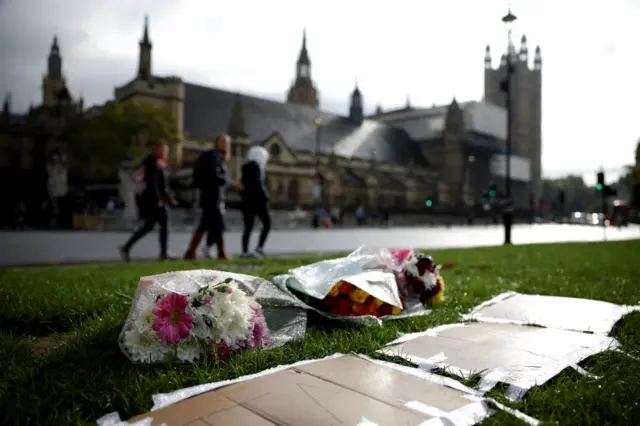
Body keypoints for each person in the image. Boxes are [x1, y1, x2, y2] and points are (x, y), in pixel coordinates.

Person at [184, 134, 243, 260]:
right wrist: (231, 183)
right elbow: (213, 176)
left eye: (227, 142)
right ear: (216, 143)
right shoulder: (214, 156)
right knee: (217, 224)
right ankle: (221, 253)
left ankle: (191, 252)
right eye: (222, 141)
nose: (225, 144)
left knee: (206, 224)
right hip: (211, 196)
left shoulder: (217, 157)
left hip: (211, 196)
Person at [120, 141, 177, 262]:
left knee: (148, 226)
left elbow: (164, 184)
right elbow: (153, 183)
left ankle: (126, 247)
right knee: (164, 224)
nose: (164, 152)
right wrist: (160, 199)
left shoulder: (161, 163)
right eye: (162, 149)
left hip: (158, 199)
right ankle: (163, 252)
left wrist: (169, 198)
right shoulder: (152, 162)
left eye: (166, 150)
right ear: (156, 149)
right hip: (153, 200)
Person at [240, 146, 271, 257]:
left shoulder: (245, 167)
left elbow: (243, 185)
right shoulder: (257, 167)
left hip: (246, 201)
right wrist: (266, 196)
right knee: (267, 223)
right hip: (258, 201)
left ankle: (244, 251)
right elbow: (258, 183)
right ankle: (259, 248)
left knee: (248, 227)